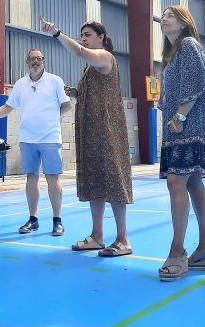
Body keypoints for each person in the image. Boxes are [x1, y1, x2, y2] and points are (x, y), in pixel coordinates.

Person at [40, 16, 133, 257]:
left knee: (113, 180)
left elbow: (80, 52)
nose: (84, 39)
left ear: (101, 37)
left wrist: (57, 33)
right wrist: (78, 92)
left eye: (88, 35)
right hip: (90, 131)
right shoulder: (90, 68)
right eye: (82, 35)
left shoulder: (104, 57)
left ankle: (123, 239)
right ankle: (97, 236)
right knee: (95, 183)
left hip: (107, 131)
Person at [157, 5, 205, 281]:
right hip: (177, 125)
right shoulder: (170, 56)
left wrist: (180, 116)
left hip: (188, 124)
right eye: (163, 14)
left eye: (170, 14)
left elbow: (197, 83)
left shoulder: (188, 44)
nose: (164, 17)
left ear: (184, 22)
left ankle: (177, 251)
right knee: (193, 182)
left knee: (176, 181)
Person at [0, 49, 71, 236]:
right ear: (27, 62)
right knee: (31, 177)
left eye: (38, 58)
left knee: (53, 177)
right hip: (27, 139)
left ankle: (57, 220)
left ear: (43, 60)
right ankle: (33, 219)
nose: (35, 62)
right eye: (32, 59)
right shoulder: (20, 84)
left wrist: (53, 118)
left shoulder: (55, 81)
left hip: (50, 139)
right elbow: (8, 107)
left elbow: (66, 104)